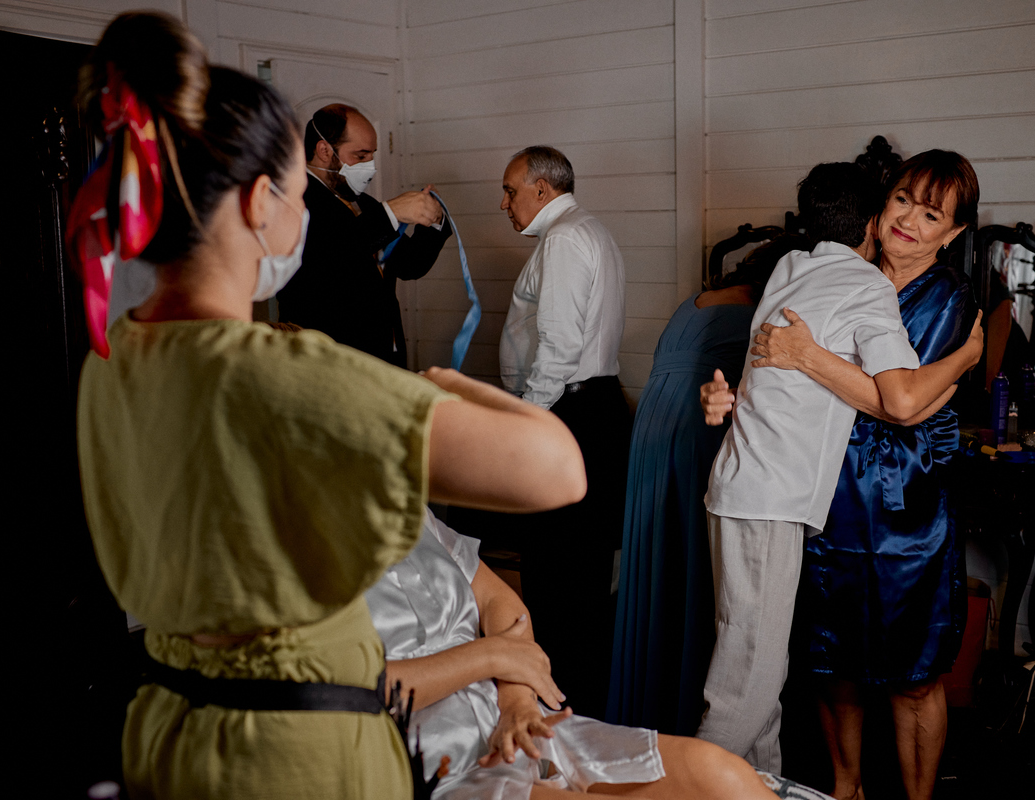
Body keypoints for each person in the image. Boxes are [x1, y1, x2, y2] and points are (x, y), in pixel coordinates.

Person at [71, 13, 585, 799]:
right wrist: (444, 386)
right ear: (257, 202)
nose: (305, 212)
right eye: (294, 191)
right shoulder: (284, 376)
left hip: (173, 732)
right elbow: (556, 470)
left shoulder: (114, 363)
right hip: (297, 755)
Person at [696, 162, 983, 775]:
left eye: (931, 214)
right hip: (821, 496)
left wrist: (809, 357)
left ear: (952, 232)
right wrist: (731, 398)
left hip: (901, 503)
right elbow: (776, 375)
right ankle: (840, 787)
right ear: (877, 212)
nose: (909, 220)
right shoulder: (824, 272)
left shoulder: (948, 295)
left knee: (911, 672)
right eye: (903, 200)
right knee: (825, 664)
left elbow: (904, 405)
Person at [365, 509, 835, 800]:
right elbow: (352, 685)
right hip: (430, 765)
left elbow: (500, 603)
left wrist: (516, 701)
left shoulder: (405, 510)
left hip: (515, 724)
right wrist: (491, 657)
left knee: (718, 772)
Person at [607, 233, 810, 736]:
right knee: (702, 567)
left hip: (653, 428)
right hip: (699, 427)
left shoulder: (696, 301)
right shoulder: (762, 315)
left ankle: (645, 702)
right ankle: (692, 713)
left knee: (659, 559)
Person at [453, 145, 630, 720]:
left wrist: (523, 426)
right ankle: (575, 709)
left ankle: (561, 715)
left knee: (559, 581)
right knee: (575, 579)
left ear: (542, 189)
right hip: (586, 409)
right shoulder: (588, 230)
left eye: (510, 191)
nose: (503, 204)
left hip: (569, 412)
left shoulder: (565, 239)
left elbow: (558, 346)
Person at [275, 103, 451, 368]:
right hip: (329, 360)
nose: (370, 166)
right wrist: (390, 213)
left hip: (385, 355)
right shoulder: (292, 200)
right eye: (361, 156)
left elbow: (409, 265)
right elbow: (332, 257)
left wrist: (434, 220)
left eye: (372, 155)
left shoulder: (363, 204)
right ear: (324, 150)